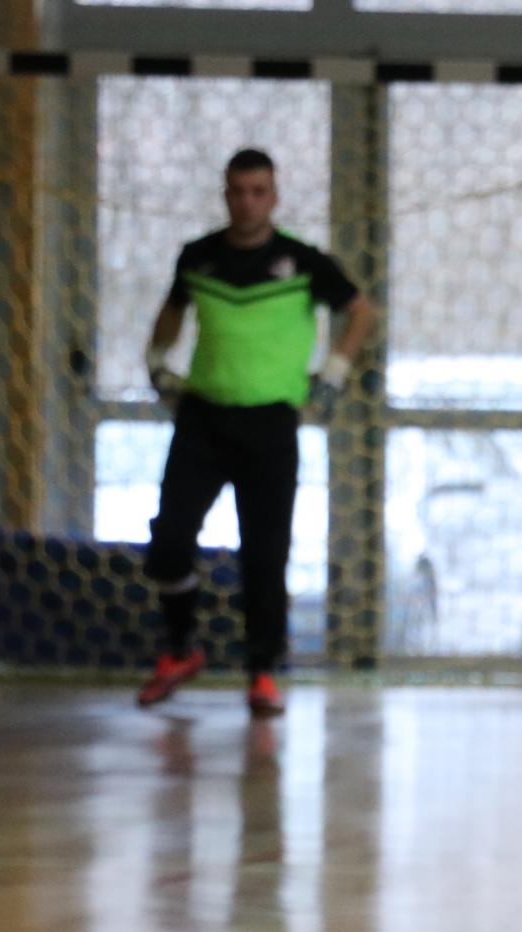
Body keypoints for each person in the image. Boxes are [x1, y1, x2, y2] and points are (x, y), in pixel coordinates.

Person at [135, 148, 376, 717]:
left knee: (266, 554)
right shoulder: (198, 257)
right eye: (238, 191)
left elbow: (362, 311)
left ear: (274, 196)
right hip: (202, 418)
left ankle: (263, 674)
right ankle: (179, 651)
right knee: (169, 541)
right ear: (225, 195)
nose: (247, 202)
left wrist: (335, 373)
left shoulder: (303, 261)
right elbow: (173, 309)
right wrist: (156, 360)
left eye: (258, 191)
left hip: (270, 424)